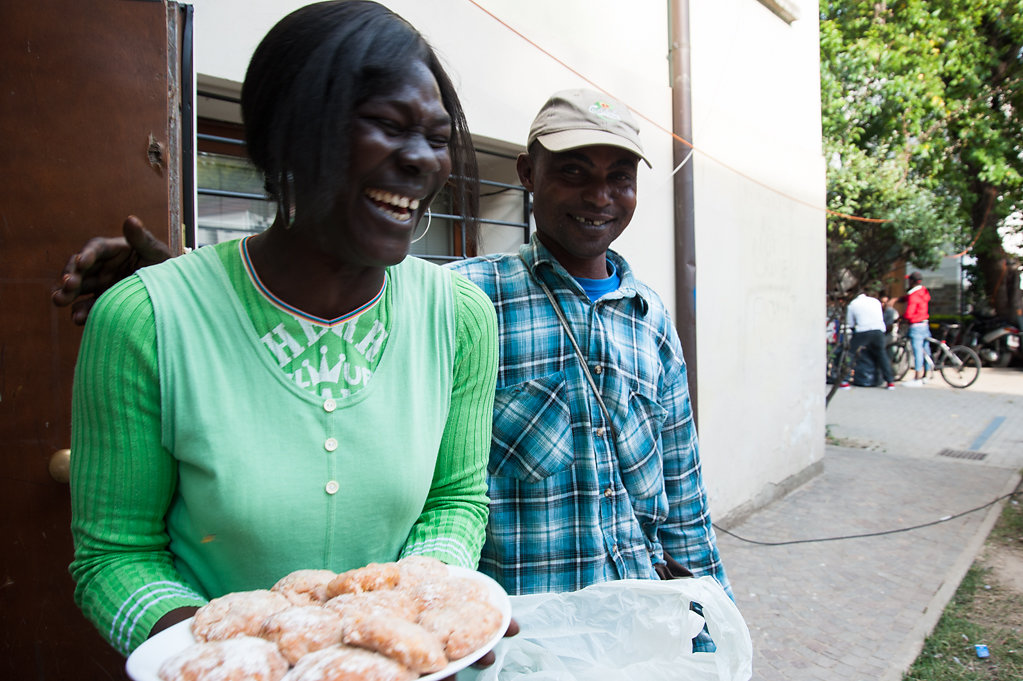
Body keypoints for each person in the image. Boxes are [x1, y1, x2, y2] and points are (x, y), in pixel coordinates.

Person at [55, 89, 730, 645]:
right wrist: (179, 278)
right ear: (528, 174)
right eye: (574, 171)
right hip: (515, 632)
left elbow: (683, 490)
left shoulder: (650, 318)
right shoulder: (467, 296)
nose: (599, 196)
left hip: (633, 627)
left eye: (619, 176)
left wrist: (710, 615)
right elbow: (327, 283)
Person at [60, 0, 501, 657]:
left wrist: (425, 613)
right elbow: (115, 554)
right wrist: (228, 657)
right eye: (386, 124)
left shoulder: (459, 317)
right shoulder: (145, 320)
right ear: (289, 134)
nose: (421, 160)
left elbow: (455, 501)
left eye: (436, 137)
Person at [840, 288, 895, 389]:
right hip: (879, 331)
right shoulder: (875, 301)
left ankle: (844, 380)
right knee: (882, 355)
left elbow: (850, 323)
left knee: (850, 353)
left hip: (863, 330)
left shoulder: (852, 305)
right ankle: (890, 381)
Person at [899, 271, 932, 386]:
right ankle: (926, 375)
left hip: (916, 326)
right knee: (925, 351)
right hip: (925, 324)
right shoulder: (923, 292)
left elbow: (909, 313)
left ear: (912, 281)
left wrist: (902, 317)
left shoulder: (913, 296)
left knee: (917, 351)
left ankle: (917, 377)